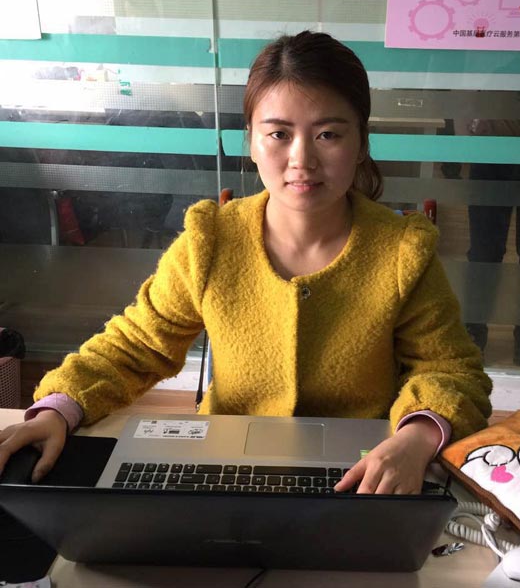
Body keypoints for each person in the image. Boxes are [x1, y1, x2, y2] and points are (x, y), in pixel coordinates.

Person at [0, 31, 492, 494]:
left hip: (362, 471)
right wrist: (58, 409)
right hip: (226, 467)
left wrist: (416, 437)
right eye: (279, 133)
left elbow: (451, 369)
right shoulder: (211, 241)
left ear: (361, 143)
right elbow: (135, 345)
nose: (302, 159)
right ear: (252, 141)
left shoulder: (402, 250)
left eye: (328, 134)